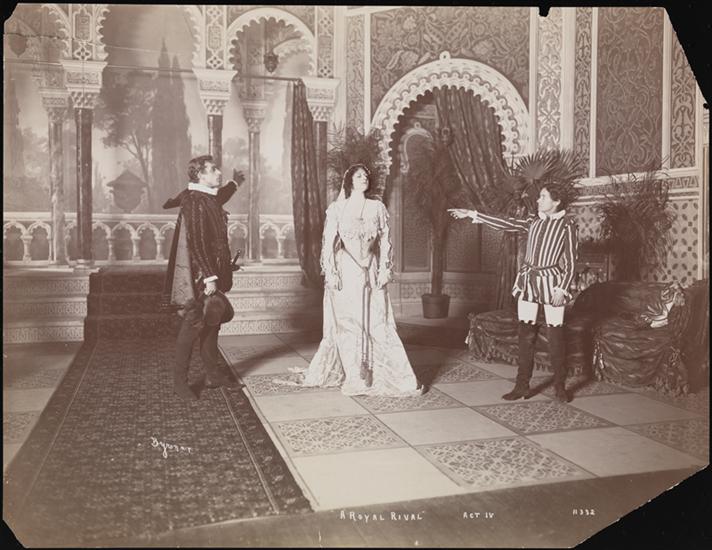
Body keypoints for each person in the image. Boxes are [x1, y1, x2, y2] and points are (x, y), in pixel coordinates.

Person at [280, 164, 422, 396]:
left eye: (366, 176)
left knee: (379, 322)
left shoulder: (377, 207)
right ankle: (356, 378)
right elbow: (328, 243)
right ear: (349, 181)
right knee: (348, 324)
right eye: (358, 176)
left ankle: (392, 376)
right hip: (346, 269)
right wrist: (331, 273)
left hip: (371, 269)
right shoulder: (337, 208)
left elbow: (386, 241)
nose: (364, 178)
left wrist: (385, 269)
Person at [449, 182, 578, 402]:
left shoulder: (567, 224)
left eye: (543, 197)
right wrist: (472, 214)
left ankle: (560, 387)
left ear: (557, 201)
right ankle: (522, 386)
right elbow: (506, 223)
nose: (538, 200)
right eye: (539, 196)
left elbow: (572, 260)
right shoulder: (533, 220)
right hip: (528, 281)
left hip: (553, 284)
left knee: (555, 338)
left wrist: (562, 288)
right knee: (525, 337)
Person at [163, 155, 244, 401]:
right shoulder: (195, 201)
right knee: (193, 324)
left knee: (212, 321)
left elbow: (220, 197)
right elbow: (196, 242)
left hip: (212, 271)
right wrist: (209, 276)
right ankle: (179, 382)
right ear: (199, 175)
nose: (218, 172)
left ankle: (212, 375)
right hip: (201, 274)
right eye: (213, 169)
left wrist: (234, 183)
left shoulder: (206, 197)